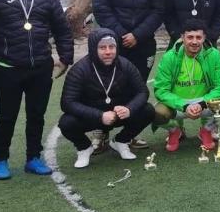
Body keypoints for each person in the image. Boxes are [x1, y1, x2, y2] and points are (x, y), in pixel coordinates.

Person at [0, 0, 74, 180]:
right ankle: (1, 159)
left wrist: (66, 57)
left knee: (36, 115)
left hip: (40, 67)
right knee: (6, 116)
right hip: (7, 67)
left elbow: (62, 29)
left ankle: (33, 158)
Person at [92, 0, 164, 148]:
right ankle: (101, 133)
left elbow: (158, 11)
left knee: (137, 89)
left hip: (143, 44)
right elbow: (100, 8)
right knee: (107, 87)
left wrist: (137, 35)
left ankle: (128, 135)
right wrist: (121, 34)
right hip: (114, 44)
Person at [58, 28, 154, 168]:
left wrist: (129, 109)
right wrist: (99, 115)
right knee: (66, 122)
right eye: (102, 48)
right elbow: (67, 103)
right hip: (92, 117)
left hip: (119, 114)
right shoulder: (79, 70)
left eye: (111, 47)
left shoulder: (126, 65)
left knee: (148, 111)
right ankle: (84, 148)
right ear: (93, 49)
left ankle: (121, 141)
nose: (108, 52)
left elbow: (142, 92)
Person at [152, 18, 220, 152]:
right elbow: (161, 90)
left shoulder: (214, 55)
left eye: (198, 37)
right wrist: (184, 106)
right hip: (178, 105)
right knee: (155, 113)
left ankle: (207, 130)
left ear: (204, 38)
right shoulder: (169, 57)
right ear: (182, 37)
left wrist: (202, 104)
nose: (194, 41)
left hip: (205, 103)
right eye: (190, 37)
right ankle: (175, 130)